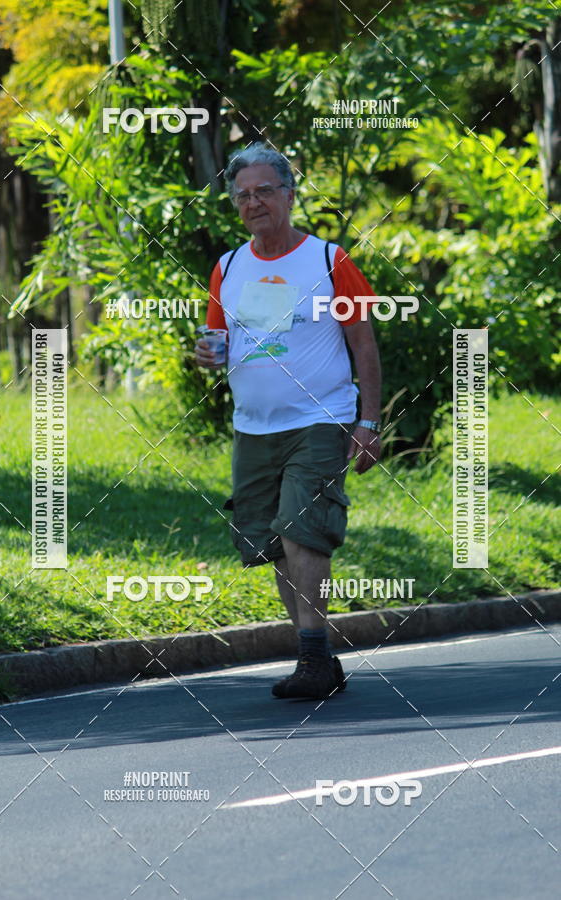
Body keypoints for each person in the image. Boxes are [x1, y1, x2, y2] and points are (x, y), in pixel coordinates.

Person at [195, 142, 382, 700]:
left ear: (290, 195)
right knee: (274, 541)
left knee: (304, 529)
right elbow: (219, 344)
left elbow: (363, 343)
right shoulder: (226, 268)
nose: (254, 203)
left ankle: (312, 660)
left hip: (320, 419)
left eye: (265, 191)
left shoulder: (328, 260)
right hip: (253, 427)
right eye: (243, 195)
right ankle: (319, 654)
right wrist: (208, 356)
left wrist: (368, 421)